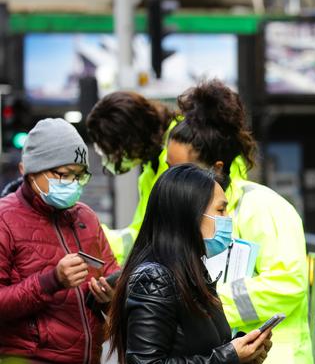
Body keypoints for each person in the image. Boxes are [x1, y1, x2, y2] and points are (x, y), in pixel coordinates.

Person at [166, 79, 313, 364]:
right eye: (170, 168)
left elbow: (287, 283)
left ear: (216, 167)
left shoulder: (262, 207)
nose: (172, 179)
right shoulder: (184, 212)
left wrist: (209, 305)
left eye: (183, 169)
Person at [106, 164, 272, 364]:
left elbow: (204, 349)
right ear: (190, 215)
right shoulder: (154, 278)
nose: (227, 218)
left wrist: (243, 353)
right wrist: (229, 356)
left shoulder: (193, 273)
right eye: (220, 210)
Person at [0, 118, 119, 363]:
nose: (73, 185)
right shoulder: (4, 219)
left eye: (79, 176)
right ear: (30, 172)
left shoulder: (85, 216)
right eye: (64, 175)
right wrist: (51, 281)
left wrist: (110, 295)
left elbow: (111, 272)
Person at [86, 91, 179, 264]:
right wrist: (95, 237)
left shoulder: (177, 153)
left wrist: (95, 237)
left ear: (131, 138)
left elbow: (159, 241)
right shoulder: (150, 171)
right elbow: (140, 235)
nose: (111, 158)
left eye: (112, 150)